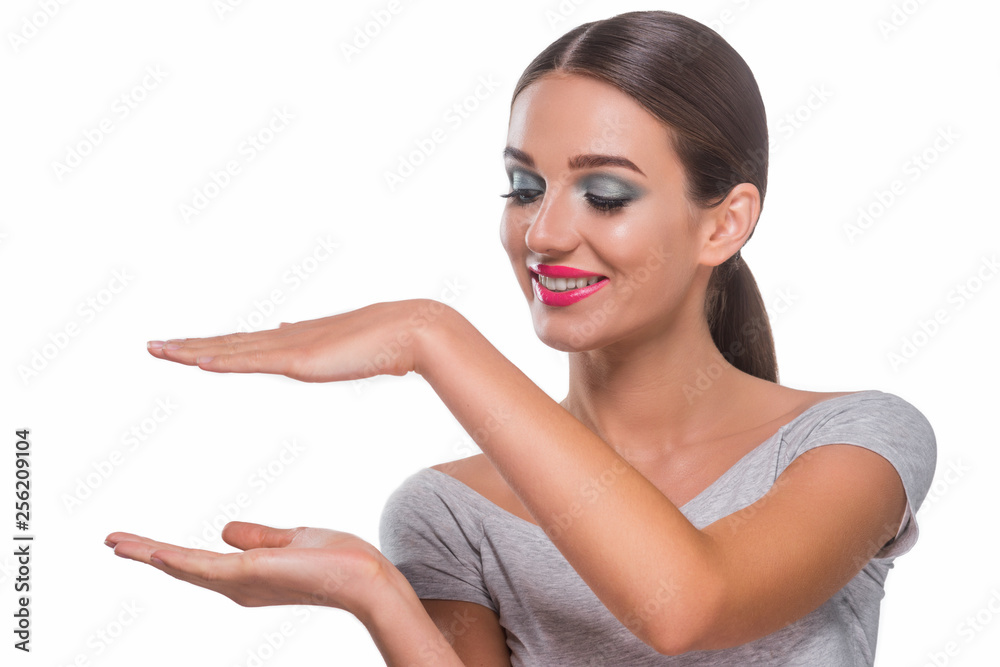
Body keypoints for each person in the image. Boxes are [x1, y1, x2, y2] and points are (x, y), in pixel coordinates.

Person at [105, 10, 937, 665]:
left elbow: (688, 604)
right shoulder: (448, 512)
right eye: (524, 186)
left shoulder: (856, 440)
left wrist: (434, 336)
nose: (542, 233)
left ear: (725, 223)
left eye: (605, 194)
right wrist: (375, 594)